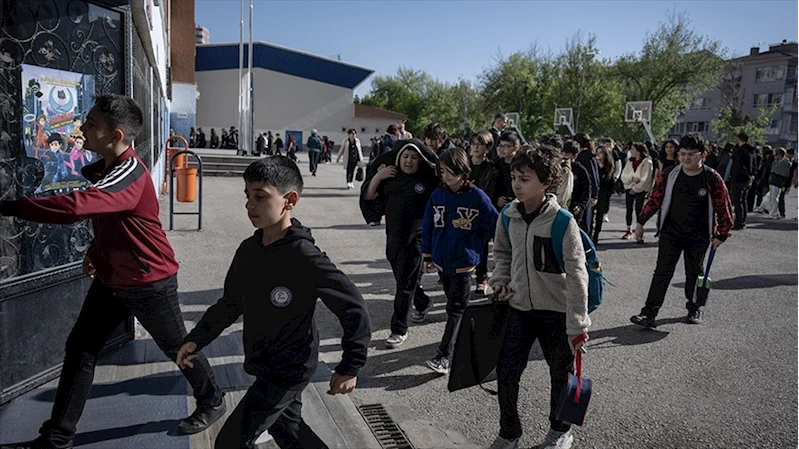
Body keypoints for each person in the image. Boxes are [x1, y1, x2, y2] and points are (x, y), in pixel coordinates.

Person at [0, 95, 225, 449]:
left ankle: (212, 399)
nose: (81, 129)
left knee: (178, 348)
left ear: (115, 134)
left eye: (90, 124)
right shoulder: (108, 169)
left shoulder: (128, 173)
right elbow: (113, 222)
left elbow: (80, 206)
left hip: (149, 281)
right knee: (81, 349)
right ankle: (56, 438)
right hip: (112, 279)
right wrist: (95, 251)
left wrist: (11, 207)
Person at [177, 157, 371, 449]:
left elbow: (353, 306)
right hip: (263, 363)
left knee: (229, 443)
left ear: (289, 199)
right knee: (289, 433)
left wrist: (350, 366)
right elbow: (229, 304)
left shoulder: (305, 257)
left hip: (289, 370)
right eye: (247, 196)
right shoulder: (248, 251)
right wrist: (197, 339)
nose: (249, 205)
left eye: (260, 196)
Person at [488, 144, 590, 449]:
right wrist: (500, 281)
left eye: (526, 179)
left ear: (546, 183)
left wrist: (578, 323)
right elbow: (502, 253)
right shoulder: (507, 215)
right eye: (514, 177)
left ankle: (561, 430)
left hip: (556, 313)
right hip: (518, 308)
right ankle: (509, 432)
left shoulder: (563, 222)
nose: (517, 185)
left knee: (561, 374)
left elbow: (577, 274)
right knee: (506, 372)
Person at [630, 133, 732, 328]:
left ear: (703, 154)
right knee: (662, 272)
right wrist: (641, 221)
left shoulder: (712, 177)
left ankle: (694, 308)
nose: (686, 158)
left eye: (692, 154)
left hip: (699, 235)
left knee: (694, 273)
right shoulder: (669, 174)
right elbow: (655, 199)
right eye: (683, 154)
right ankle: (648, 313)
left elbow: (723, 206)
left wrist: (722, 233)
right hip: (671, 232)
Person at [420, 147, 498, 374]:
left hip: (464, 263)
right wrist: (427, 254)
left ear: (464, 170)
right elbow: (428, 227)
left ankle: (444, 356)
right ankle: (466, 342)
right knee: (454, 308)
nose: (446, 176)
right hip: (442, 261)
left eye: (451, 171)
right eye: (442, 171)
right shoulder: (437, 195)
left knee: (456, 309)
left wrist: (501, 257)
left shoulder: (477, 197)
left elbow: (496, 226)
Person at [362, 140, 439, 348]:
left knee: (404, 286)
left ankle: (399, 329)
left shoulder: (427, 180)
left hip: (417, 239)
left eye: (414, 157)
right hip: (394, 237)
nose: (409, 161)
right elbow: (369, 196)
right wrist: (379, 176)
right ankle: (422, 301)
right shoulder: (391, 178)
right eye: (405, 156)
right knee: (404, 280)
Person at [468, 130, 500, 296]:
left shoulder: (491, 169)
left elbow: (489, 193)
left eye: (479, 144)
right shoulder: (464, 164)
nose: (475, 147)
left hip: (481, 212)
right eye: (473, 143)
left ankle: (481, 279)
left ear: (487, 147)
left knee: (481, 247)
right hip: (462, 209)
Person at [621, 142, 654, 243]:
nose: (631, 151)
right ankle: (628, 230)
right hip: (629, 188)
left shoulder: (647, 162)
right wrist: (632, 178)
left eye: (633, 149)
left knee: (639, 210)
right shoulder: (630, 162)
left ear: (639, 151)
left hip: (640, 190)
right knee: (629, 209)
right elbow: (624, 176)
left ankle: (639, 232)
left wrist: (635, 189)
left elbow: (646, 178)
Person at [572, 133, 600, 235]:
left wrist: (594, 194)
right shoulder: (588, 155)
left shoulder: (586, 156)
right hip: (585, 192)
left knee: (585, 223)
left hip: (586, 193)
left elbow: (593, 176)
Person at [561, 140, 590, 232]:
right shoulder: (558, 167)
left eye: (568, 154)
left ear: (575, 156)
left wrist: (581, 205)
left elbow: (586, 189)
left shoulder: (581, 170)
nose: (565, 156)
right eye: (563, 153)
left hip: (574, 208)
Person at [728, 132, 756, 230]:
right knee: (743, 200)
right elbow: (754, 166)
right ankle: (743, 220)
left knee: (737, 201)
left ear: (739, 139)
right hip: (748, 179)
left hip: (738, 178)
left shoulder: (739, 151)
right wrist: (751, 176)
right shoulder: (752, 151)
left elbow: (739, 166)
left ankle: (738, 222)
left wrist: (746, 175)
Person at [592, 143, 616, 244]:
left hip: (603, 194)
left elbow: (610, 183)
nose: (599, 155)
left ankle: (596, 235)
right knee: (590, 215)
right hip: (593, 194)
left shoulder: (609, 167)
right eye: (597, 153)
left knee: (599, 216)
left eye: (601, 153)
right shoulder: (593, 165)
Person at [761, 147, 791, 220]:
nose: (774, 156)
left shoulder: (783, 162)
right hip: (774, 181)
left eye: (775, 154)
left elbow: (774, 168)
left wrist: (773, 160)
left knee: (774, 198)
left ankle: (774, 213)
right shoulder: (780, 162)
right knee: (772, 198)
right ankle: (774, 212)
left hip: (777, 182)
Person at [496, 131, 521, 210]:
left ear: (516, 148)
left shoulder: (520, 165)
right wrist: (497, 198)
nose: (502, 149)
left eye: (506, 146)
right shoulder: (497, 165)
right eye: (500, 146)